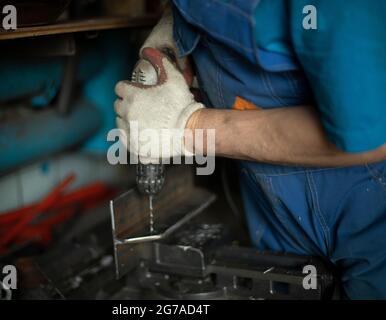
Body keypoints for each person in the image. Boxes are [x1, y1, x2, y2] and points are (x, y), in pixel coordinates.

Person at [114, 0, 386, 299]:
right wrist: (176, 24)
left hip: (368, 212)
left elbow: (370, 136)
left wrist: (188, 127)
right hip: (271, 206)